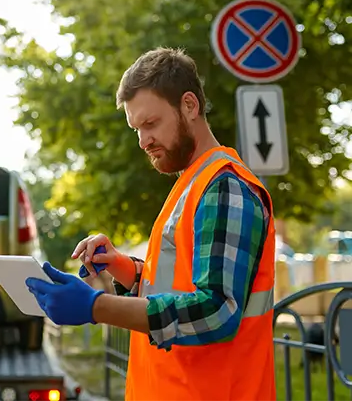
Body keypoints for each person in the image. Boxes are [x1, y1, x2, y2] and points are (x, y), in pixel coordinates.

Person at [25, 47, 276, 401]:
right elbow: (180, 284)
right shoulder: (193, 183)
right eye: (136, 129)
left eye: (150, 123)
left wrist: (96, 306)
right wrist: (122, 268)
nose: (143, 140)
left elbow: (219, 309)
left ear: (189, 105)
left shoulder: (226, 187)